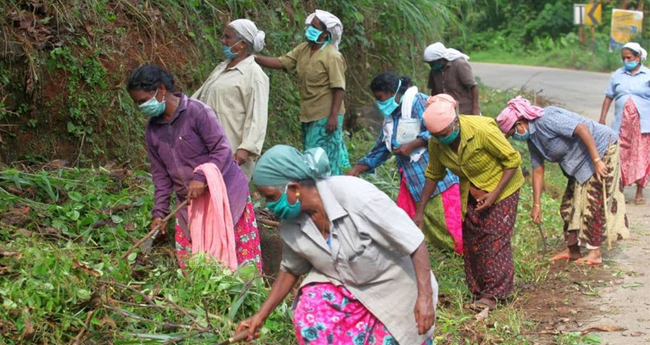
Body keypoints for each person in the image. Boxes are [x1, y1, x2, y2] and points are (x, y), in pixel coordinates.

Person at [236, 145, 438, 345]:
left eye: (271, 197)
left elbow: (414, 241)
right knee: (310, 304)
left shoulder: (356, 196)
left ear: (294, 188)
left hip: (395, 289)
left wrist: (425, 297)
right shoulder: (292, 223)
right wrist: (260, 317)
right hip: (348, 288)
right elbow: (290, 270)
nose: (269, 205)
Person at [127, 65, 262, 271]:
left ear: (161, 89)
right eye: (138, 103)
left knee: (240, 265)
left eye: (144, 101)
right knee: (196, 267)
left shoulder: (197, 112)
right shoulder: (153, 130)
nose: (142, 107)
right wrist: (159, 213)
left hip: (225, 197)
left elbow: (222, 150)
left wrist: (201, 177)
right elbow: (161, 176)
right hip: (189, 204)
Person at [415, 94, 524, 311]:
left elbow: (512, 160)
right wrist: (420, 210)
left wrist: (493, 194)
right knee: (473, 238)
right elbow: (433, 174)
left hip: (503, 186)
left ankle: (494, 295)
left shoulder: (482, 130)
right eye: (436, 135)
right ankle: (478, 291)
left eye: (444, 134)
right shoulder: (437, 143)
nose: (440, 138)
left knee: (494, 236)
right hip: (473, 190)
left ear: (455, 122)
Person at [497, 96, 629, 265]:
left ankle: (595, 253)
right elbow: (537, 170)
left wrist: (596, 161)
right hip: (579, 164)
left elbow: (582, 129)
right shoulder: (533, 140)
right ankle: (573, 250)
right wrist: (536, 205)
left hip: (601, 149)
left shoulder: (547, 118)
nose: (514, 137)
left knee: (593, 202)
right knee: (568, 205)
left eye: (512, 133)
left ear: (520, 123)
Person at [347, 72, 463, 253]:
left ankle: (459, 252)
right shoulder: (391, 117)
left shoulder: (419, 102)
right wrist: (357, 169)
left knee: (450, 224)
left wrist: (414, 144)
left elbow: (442, 127)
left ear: (392, 91)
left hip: (436, 176)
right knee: (411, 225)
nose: (379, 103)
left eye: (380, 98)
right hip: (411, 179)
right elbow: (382, 148)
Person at [255, 9, 350, 175]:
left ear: (325, 34)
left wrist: (333, 116)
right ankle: (318, 190)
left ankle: (330, 191)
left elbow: (338, 88)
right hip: (308, 113)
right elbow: (282, 62)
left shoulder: (332, 56)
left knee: (324, 158)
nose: (309, 30)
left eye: (314, 27)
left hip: (326, 116)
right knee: (311, 154)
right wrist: (254, 57)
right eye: (310, 26)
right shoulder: (304, 49)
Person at [192, 19, 269, 180]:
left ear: (242, 44)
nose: (223, 41)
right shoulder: (221, 67)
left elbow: (258, 116)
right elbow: (201, 97)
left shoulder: (254, 75)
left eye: (228, 37)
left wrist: (245, 148)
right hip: (208, 145)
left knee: (227, 198)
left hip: (232, 150)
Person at [599, 42, 650, 205]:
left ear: (638, 57)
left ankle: (639, 192)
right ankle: (618, 190)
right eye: (623, 58)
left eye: (629, 58)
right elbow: (608, 97)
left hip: (642, 124)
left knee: (641, 156)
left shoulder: (647, 75)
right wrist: (602, 118)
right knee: (619, 155)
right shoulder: (617, 75)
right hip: (621, 125)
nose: (626, 61)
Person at [423, 42, 481, 115]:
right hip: (445, 112)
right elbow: (434, 91)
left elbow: (473, 86)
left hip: (464, 110)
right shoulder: (434, 71)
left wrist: (475, 108)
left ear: (441, 59)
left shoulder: (459, 65)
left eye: (433, 63)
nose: (431, 66)